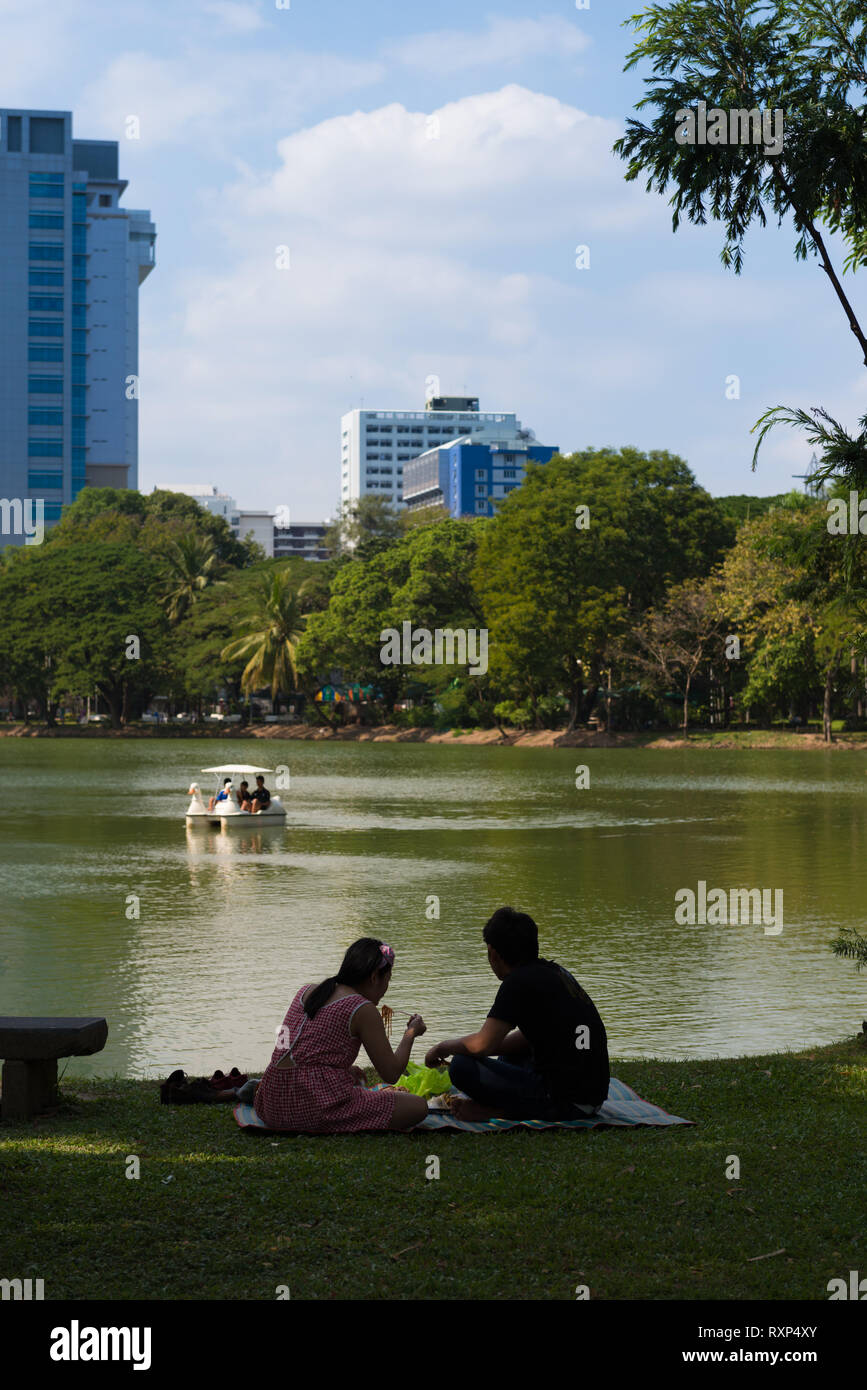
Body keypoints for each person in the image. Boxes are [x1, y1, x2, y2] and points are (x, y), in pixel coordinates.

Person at [424, 906, 610, 1122]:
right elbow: (530, 1036)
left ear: (493, 953)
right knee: (508, 1056)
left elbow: (482, 1044)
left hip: (566, 1101)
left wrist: (441, 1047)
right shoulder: (553, 971)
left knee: (461, 1066)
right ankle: (500, 1105)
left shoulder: (517, 982)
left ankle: (498, 1111)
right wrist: (487, 1051)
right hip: (591, 1095)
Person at [254, 938, 429, 1133]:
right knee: (419, 1106)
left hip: (271, 1102)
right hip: (311, 1106)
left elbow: (303, 1053)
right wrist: (410, 1033)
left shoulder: (306, 991)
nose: (386, 988)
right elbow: (391, 1073)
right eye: (387, 979)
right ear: (374, 978)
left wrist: (341, 1071)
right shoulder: (362, 1008)